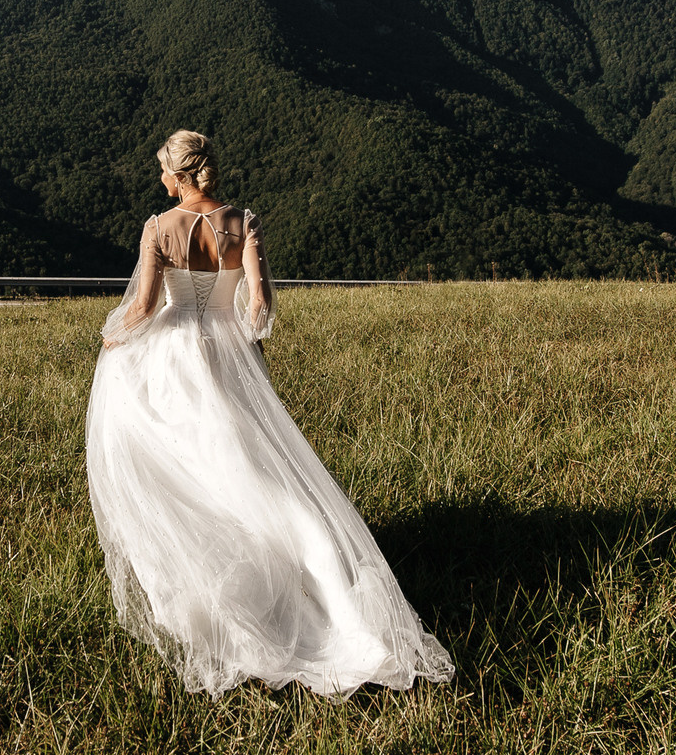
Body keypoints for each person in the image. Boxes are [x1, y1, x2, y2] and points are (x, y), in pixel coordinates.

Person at [83, 130, 454, 696]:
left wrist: (112, 341)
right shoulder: (242, 225)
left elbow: (142, 306)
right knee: (251, 468)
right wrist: (246, 346)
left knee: (193, 466)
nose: (160, 179)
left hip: (176, 357)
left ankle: (227, 589)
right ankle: (321, 586)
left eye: (163, 171)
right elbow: (258, 307)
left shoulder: (159, 228)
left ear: (178, 176)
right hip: (229, 356)